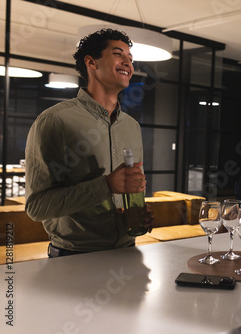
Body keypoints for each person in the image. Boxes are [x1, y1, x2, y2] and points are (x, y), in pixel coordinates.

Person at [25, 28, 153, 257]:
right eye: (119, 54)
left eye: (131, 59)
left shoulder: (132, 126)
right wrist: (107, 185)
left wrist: (138, 213)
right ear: (91, 63)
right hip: (73, 257)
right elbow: (36, 207)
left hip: (128, 252)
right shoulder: (54, 121)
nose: (128, 62)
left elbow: (131, 190)